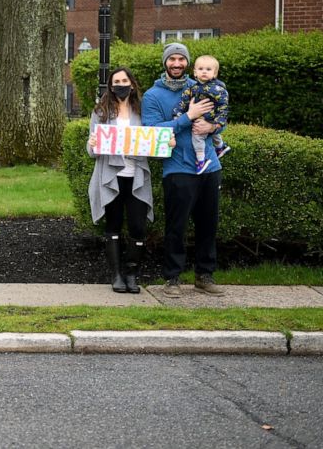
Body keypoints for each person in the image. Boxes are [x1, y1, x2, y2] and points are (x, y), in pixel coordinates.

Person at [142, 42, 225, 298]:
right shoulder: (152, 96)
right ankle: (172, 278)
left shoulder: (202, 86)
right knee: (176, 226)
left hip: (210, 165)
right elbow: (153, 131)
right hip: (178, 168)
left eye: (181, 59)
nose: (176, 64)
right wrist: (187, 117)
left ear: (187, 63)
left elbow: (220, 115)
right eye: (172, 59)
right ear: (165, 63)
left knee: (208, 224)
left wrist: (213, 128)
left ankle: (204, 276)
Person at [86, 67, 160, 294]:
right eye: (116, 81)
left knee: (138, 227)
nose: (120, 84)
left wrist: (164, 142)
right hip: (111, 177)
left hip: (136, 176)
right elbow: (92, 152)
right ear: (110, 86)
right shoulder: (101, 113)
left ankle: (131, 273)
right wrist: (91, 143)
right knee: (113, 225)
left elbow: (153, 141)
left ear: (132, 83)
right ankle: (116, 275)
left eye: (124, 80)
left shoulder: (142, 111)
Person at [172, 54, 231, 174]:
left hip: (209, 120)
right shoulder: (193, 88)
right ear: (195, 72)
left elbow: (224, 107)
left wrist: (218, 123)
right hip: (199, 118)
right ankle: (220, 147)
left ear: (215, 74)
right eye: (201, 69)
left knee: (197, 137)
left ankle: (201, 160)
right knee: (212, 135)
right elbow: (183, 102)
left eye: (208, 69)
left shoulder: (219, 89)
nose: (204, 72)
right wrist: (177, 115)